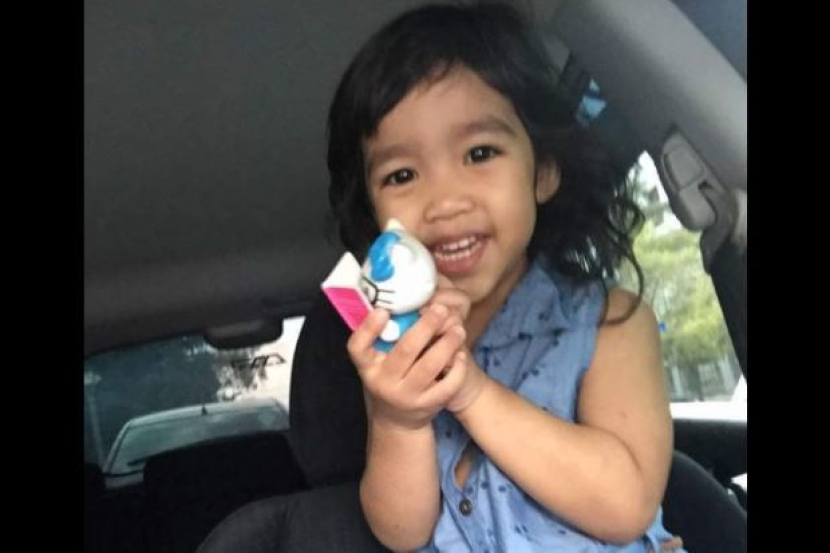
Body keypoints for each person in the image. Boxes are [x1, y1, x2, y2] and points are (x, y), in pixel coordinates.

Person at [202, 3, 684, 552]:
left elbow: (625, 504)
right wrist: (399, 420)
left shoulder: (607, 322)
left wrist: (470, 391)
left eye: (480, 153)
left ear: (544, 171)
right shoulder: (399, 344)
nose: (444, 201)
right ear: (376, 215)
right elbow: (401, 532)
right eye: (402, 174)